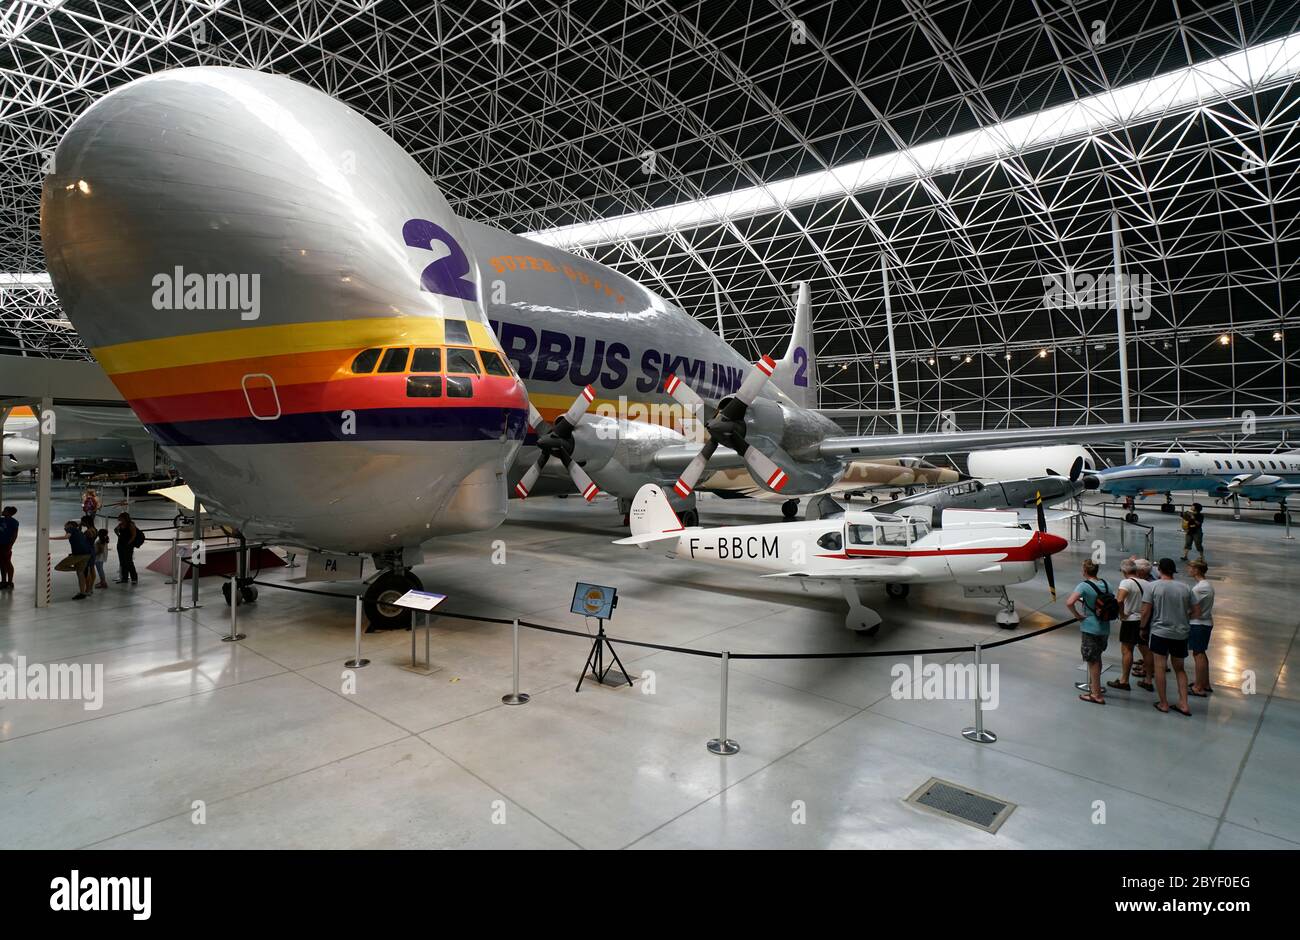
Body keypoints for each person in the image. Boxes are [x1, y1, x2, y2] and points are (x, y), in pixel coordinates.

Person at [1141, 557, 1200, 716]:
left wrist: (1142, 628)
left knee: (1159, 667)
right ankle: (1184, 704)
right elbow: (1197, 611)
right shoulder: (1185, 587)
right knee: (1180, 669)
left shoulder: (1152, 586)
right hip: (1180, 633)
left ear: (1159, 570)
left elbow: (1146, 611)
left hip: (1160, 632)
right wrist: (1183, 616)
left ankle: (1164, 703)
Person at [1066, 560, 1114, 705]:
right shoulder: (1107, 584)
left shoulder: (1084, 586)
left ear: (1084, 571)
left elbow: (1069, 602)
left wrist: (1078, 616)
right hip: (1104, 627)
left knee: (1092, 661)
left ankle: (1096, 694)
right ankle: (1096, 687)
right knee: (1097, 658)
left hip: (1090, 627)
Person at [1107, 559, 1144, 691]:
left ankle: (1124, 680)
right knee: (1146, 650)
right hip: (1143, 620)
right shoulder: (1146, 583)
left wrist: (1122, 614)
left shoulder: (1126, 582)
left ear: (1124, 571)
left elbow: (1120, 600)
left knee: (1127, 650)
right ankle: (1149, 678)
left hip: (1131, 620)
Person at [1187, 560, 1215, 697]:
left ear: (1197, 570)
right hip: (1205, 622)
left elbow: (1195, 610)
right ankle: (1205, 682)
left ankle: (1198, 687)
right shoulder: (1206, 586)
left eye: (1191, 567)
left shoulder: (1198, 589)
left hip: (1198, 623)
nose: (1188, 569)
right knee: (1201, 653)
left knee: (1198, 654)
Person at [51, 520, 94, 599]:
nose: (64, 528)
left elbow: (66, 537)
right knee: (80, 573)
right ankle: (82, 592)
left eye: (65, 526)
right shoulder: (79, 532)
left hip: (78, 555)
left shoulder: (71, 529)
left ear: (70, 525)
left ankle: (76, 569)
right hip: (87, 554)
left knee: (58, 567)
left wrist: (50, 538)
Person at [1131, 558, 1155, 689]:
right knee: (1145, 647)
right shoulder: (1151, 581)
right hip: (1150, 619)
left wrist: (1142, 626)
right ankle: (1147, 666)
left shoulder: (1149, 585)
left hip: (1147, 620)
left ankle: (1148, 673)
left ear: (1140, 571)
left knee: (1145, 647)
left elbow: (1147, 607)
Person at [114, 512, 140, 584]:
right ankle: (124, 578)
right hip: (120, 544)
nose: (119, 519)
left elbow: (134, 535)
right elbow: (115, 530)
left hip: (128, 545)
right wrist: (119, 536)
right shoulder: (121, 524)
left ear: (124, 518)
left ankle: (134, 578)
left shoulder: (131, 525)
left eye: (120, 518)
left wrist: (129, 543)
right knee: (122, 562)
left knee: (129, 561)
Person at [0, 505, 18, 590]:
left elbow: (14, 535)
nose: (2, 511)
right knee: (1, 563)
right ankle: (3, 581)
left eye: (4, 510)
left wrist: (10, 545)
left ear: (8, 512)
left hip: (6, 545)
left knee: (7, 563)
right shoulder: (1, 519)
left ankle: (10, 582)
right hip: (0, 544)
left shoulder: (14, 522)